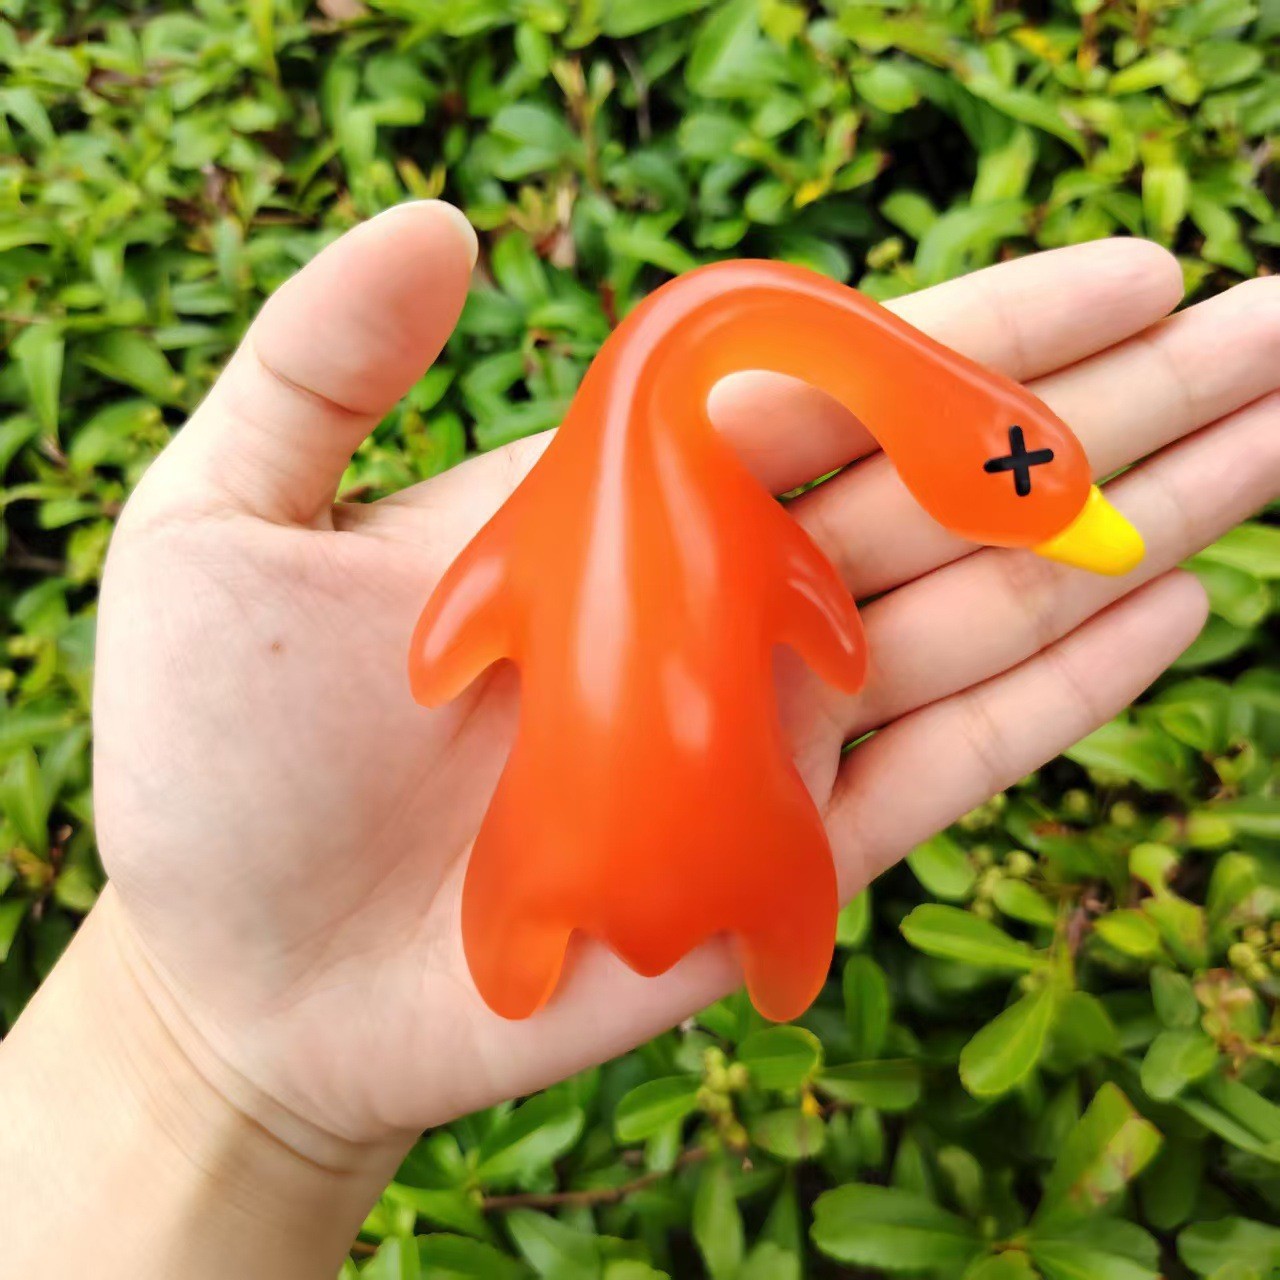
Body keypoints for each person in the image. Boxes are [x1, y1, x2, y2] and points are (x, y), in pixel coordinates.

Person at [0, 200, 1276, 1277]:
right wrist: (212, 1049)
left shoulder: (621, 505)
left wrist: (219, 1067)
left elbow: (489, 620)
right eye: (1029, 477)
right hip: (656, 828)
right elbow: (807, 624)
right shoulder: (674, 510)